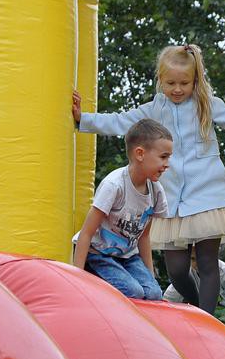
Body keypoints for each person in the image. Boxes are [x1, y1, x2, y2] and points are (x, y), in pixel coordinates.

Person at [73, 44, 225, 314]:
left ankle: (206, 319)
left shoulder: (206, 104)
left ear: (195, 81)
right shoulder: (155, 109)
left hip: (208, 195)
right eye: (171, 83)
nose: (177, 89)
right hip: (172, 200)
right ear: (160, 80)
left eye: (185, 83)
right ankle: (197, 310)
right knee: (177, 270)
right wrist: (83, 119)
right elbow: (120, 121)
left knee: (208, 264)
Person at [72, 118, 172, 300]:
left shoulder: (156, 191)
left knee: (153, 294)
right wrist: (76, 278)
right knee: (134, 292)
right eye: (163, 157)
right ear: (140, 154)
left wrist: (151, 279)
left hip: (127, 256)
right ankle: (91, 276)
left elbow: (144, 237)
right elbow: (86, 233)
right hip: (97, 254)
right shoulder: (115, 185)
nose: (167, 164)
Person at [164, 258, 225, 329]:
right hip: (203, 327)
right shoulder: (188, 275)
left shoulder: (224, 272)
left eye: (200, 258)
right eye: (193, 259)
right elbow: (168, 301)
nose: (198, 263)